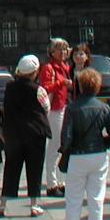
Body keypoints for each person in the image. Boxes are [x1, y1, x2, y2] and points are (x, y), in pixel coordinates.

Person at [58, 67, 110, 220]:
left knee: (73, 202)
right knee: (96, 201)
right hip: (99, 155)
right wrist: (103, 144)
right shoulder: (104, 108)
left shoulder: (72, 108)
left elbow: (66, 138)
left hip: (77, 155)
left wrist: (65, 153)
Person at [0, 54, 52, 218]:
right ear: (35, 72)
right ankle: (34, 205)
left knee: (11, 168)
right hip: (35, 133)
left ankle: (3, 204)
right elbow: (46, 107)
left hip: (13, 133)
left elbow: (6, 108)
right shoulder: (39, 90)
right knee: (34, 168)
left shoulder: (9, 87)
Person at [38, 38, 72, 198]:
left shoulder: (65, 67)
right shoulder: (49, 68)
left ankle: (60, 181)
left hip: (63, 107)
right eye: (60, 49)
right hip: (54, 110)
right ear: (52, 52)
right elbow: (44, 89)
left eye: (65, 49)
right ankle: (51, 183)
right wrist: (61, 83)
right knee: (54, 147)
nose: (64, 52)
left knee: (61, 146)